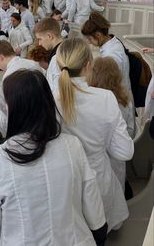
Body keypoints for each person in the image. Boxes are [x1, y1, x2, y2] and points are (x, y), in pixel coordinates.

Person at [0, 69, 107, 246]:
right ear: (48, 103)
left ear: (13, 107)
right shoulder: (72, 145)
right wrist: (99, 232)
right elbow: (93, 206)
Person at [56, 38, 134, 231]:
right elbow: (125, 152)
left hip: (64, 183)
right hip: (99, 178)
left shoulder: (49, 99)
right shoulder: (105, 98)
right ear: (89, 65)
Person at [88, 56, 136, 189]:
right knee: (117, 195)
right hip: (118, 159)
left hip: (94, 159)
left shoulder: (89, 100)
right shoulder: (125, 100)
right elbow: (131, 131)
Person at [81, 12, 131, 90]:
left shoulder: (111, 55)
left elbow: (109, 84)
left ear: (98, 35)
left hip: (118, 98)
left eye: (90, 39)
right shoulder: (114, 42)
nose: (89, 42)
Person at [34, 18, 62, 93]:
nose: (39, 43)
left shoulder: (57, 58)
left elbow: (56, 90)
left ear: (49, 36)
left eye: (40, 39)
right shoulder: (65, 49)